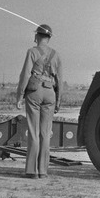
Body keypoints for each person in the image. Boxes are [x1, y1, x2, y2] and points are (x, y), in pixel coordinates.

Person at [15, 24, 63, 179]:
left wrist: (19, 96)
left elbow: (25, 75)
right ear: (49, 38)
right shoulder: (56, 55)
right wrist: (58, 101)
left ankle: (31, 171)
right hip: (50, 94)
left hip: (34, 93)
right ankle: (43, 171)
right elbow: (60, 81)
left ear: (37, 36)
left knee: (33, 133)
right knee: (45, 133)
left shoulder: (32, 52)